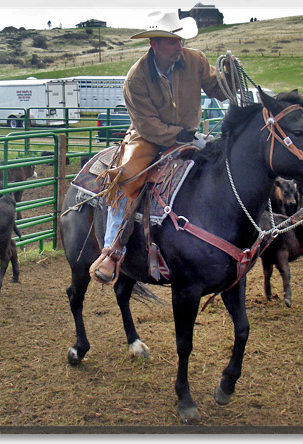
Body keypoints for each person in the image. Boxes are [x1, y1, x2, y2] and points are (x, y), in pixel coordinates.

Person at [90, 10, 235, 284]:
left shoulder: (196, 60)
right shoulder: (136, 79)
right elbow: (148, 126)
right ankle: (113, 249)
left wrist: (230, 75)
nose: (179, 46)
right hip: (148, 138)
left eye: (179, 40)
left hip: (189, 133)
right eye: (171, 41)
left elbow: (218, 89)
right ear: (154, 44)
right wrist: (182, 136)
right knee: (127, 177)